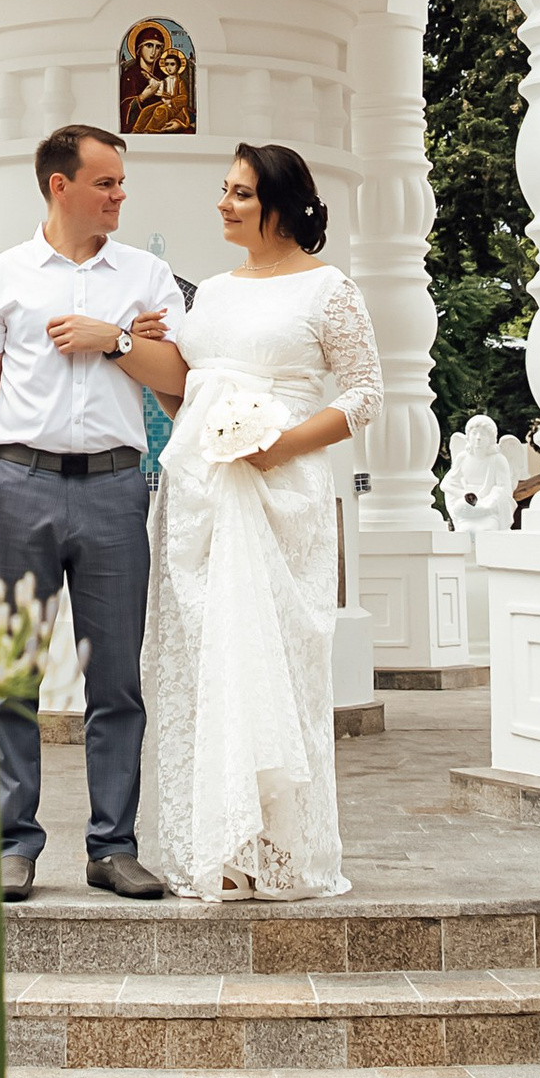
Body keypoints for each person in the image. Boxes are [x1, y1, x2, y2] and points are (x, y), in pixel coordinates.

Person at [0, 123, 189, 902]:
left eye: (121, 183)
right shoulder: (2, 277)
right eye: (107, 182)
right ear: (61, 186)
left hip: (118, 490)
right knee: (12, 671)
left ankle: (112, 847)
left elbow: (175, 382)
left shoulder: (148, 276)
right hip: (19, 485)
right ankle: (12, 845)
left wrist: (112, 338)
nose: (120, 195)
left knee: (116, 680)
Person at [139, 142, 382, 900]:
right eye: (224, 190)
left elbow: (366, 394)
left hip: (283, 500)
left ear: (280, 203)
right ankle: (211, 848)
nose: (224, 204)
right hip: (202, 503)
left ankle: (281, 850)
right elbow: (184, 397)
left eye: (240, 193)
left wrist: (281, 445)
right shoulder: (207, 293)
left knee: (274, 666)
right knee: (200, 668)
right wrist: (138, 352)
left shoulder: (329, 290)